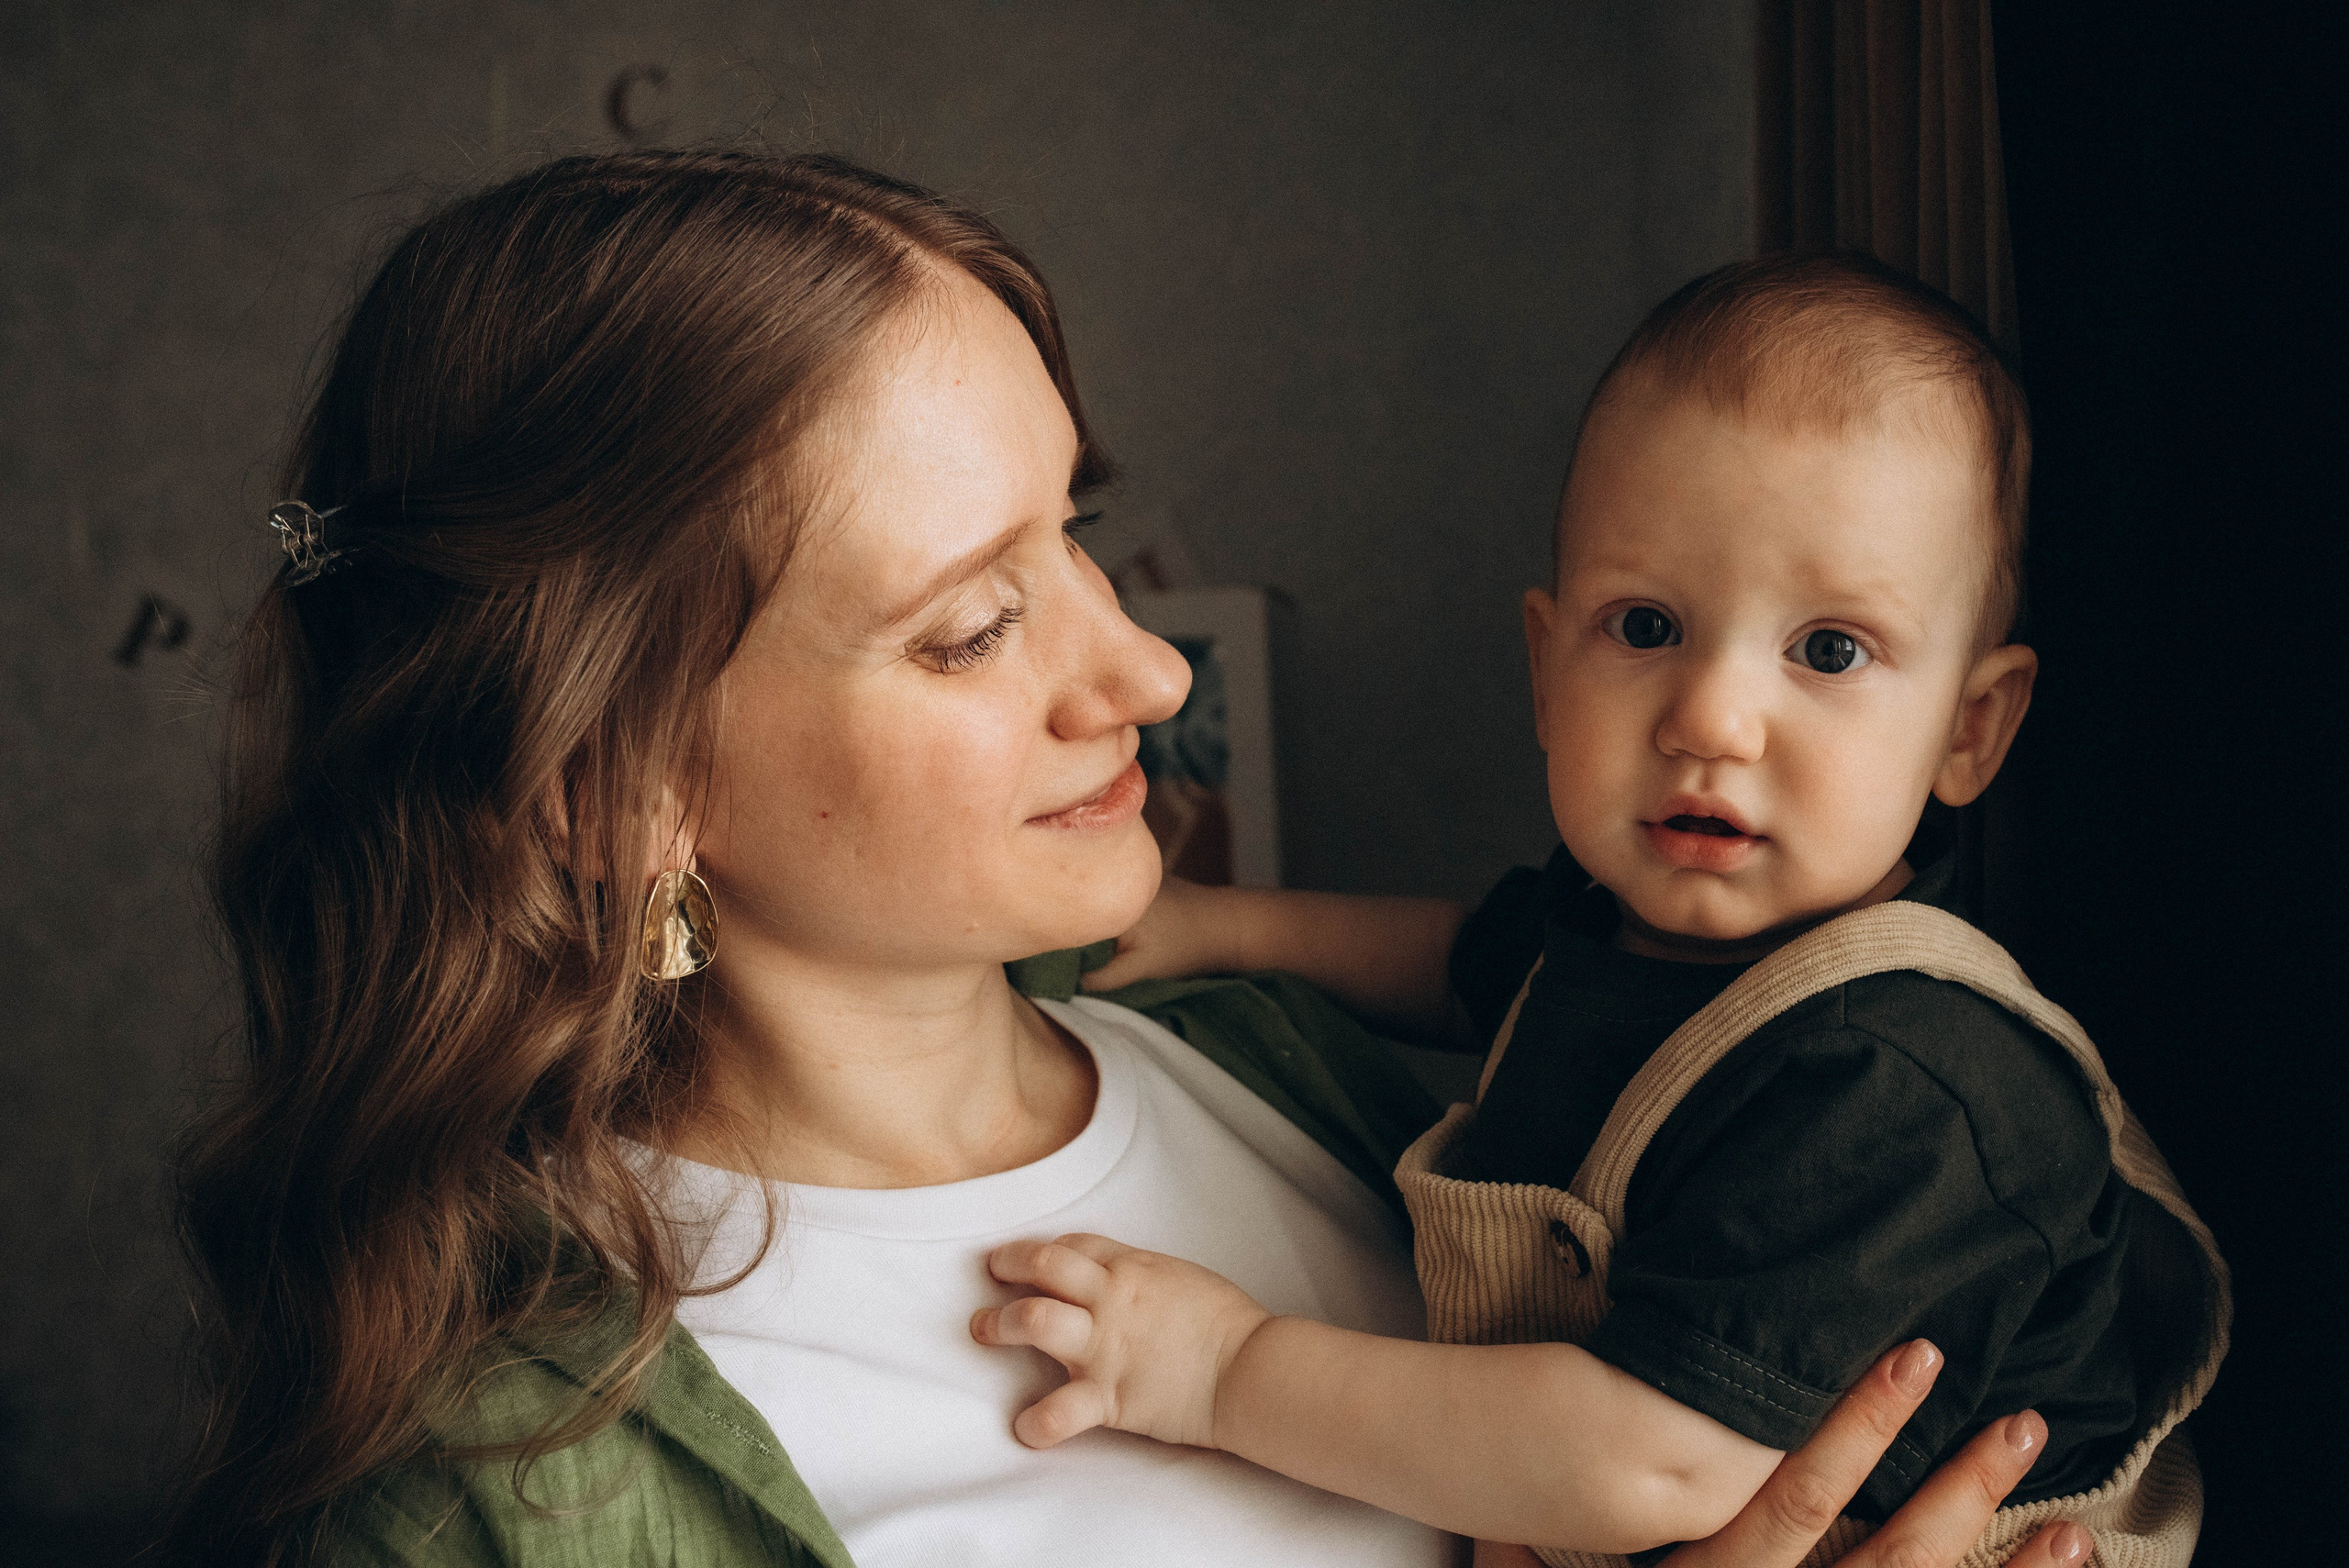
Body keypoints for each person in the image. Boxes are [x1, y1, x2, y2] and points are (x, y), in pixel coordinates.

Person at [173, 153, 2092, 1568]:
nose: (1150, 669)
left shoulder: (1314, 1080)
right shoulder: (480, 1504)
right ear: (617, 791)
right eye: (968, 623)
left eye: (1071, 534)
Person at [979, 257, 2227, 1563]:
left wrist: (1223, 1371)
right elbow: (1469, 961)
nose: (1709, 718)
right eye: (1646, 625)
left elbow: (1646, 1459)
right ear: (1543, 661)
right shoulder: (1626, 927)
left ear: (1970, 729)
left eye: (1831, 649)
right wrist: (1229, 927)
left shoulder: (1899, 1077)